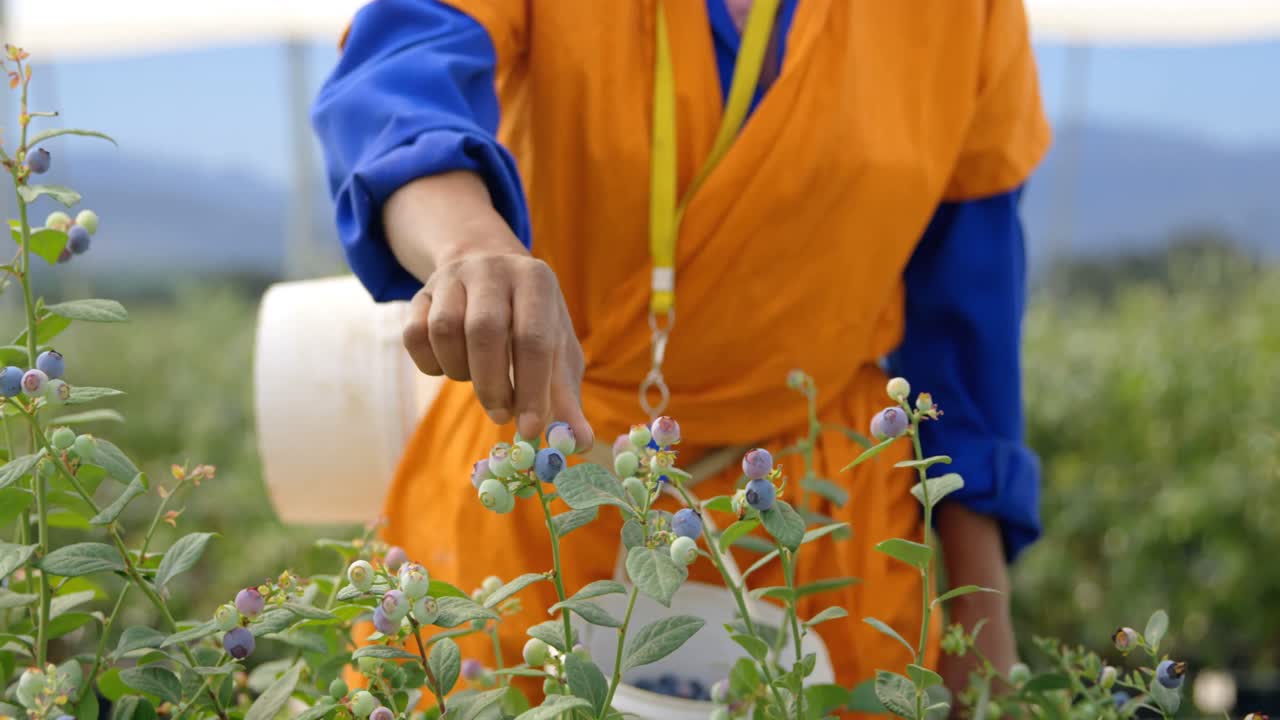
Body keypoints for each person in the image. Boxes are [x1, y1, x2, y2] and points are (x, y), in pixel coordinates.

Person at [312, 0, 1050, 711]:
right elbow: (399, 70)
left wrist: (980, 628)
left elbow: (967, 311)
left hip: (821, 531)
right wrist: (471, 247)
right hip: (547, 476)